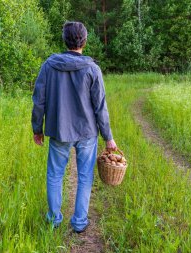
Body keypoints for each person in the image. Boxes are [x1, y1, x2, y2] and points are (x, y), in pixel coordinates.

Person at [31, 21, 117, 233]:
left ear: (65, 40)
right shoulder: (92, 69)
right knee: (85, 176)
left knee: (54, 175)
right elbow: (100, 107)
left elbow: (38, 101)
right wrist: (108, 137)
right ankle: (79, 222)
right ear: (84, 42)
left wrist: (37, 129)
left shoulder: (49, 66)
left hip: (59, 130)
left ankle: (54, 219)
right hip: (87, 132)